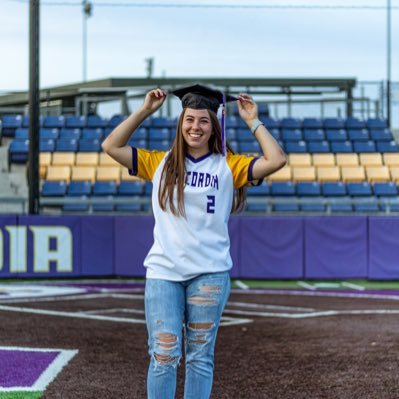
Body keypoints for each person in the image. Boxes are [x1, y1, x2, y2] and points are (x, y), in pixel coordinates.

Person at [101, 84, 286, 399]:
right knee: (164, 353)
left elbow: (276, 159)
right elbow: (110, 145)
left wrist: (253, 121)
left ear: (214, 126)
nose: (195, 127)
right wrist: (145, 111)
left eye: (203, 120)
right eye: (189, 119)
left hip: (209, 273)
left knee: (200, 356)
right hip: (163, 273)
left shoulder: (230, 166)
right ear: (180, 123)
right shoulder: (160, 163)